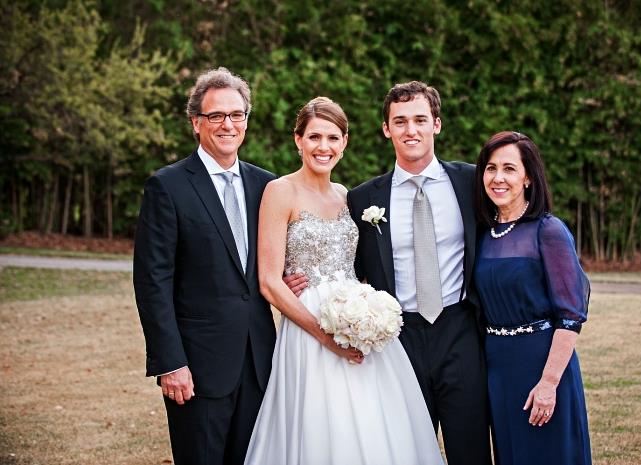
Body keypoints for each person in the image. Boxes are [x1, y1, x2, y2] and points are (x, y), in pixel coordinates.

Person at [244, 97, 444, 465]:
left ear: (345, 142)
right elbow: (269, 282)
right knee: (320, 425)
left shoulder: (345, 196)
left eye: (333, 138)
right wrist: (325, 336)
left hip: (358, 325)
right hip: (310, 334)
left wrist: (371, 313)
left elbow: (359, 265)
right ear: (298, 140)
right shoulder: (279, 192)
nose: (324, 147)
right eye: (315, 137)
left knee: (374, 424)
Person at [133, 67, 300, 465]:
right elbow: (152, 281)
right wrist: (170, 362)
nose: (228, 124)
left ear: (246, 120)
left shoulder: (267, 186)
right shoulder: (168, 186)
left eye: (236, 114)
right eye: (216, 116)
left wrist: (288, 282)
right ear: (196, 122)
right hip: (198, 368)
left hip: (259, 361)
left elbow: (268, 266)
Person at [346, 81, 492, 465]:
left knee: (470, 446)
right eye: (400, 121)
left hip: (460, 329)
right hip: (398, 337)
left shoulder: (471, 183)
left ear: (436, 125)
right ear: (386, 129)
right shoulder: (363, 199)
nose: (411, 130)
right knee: (404, 449)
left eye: (420, 120)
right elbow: (349, 266)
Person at [473, 131, 592, 465]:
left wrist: (549, 383)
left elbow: (570, 316)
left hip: (540, 362)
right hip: (497, 367)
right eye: (491, 168)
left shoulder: (548, 231)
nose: (498, 178)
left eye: (509, 169)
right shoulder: (482, 233)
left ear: (527, 177)